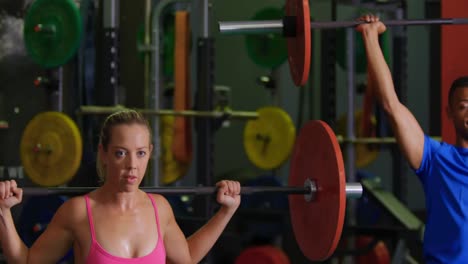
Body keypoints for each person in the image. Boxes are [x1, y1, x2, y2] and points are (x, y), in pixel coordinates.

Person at [0, 109, 241, 263]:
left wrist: (226, 212)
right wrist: (3, 212)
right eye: (121, 153)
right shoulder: (79, 212)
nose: (132, 165)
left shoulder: (160, 209)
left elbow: (186, 258)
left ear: (150, 154)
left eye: (141, 153)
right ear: (103, 153)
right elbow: (27, 261)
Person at [356, 14, 468, 263]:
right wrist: (370, 36)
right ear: (450, 112)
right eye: (463, 105)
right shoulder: (436, 159)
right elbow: (391, 105)